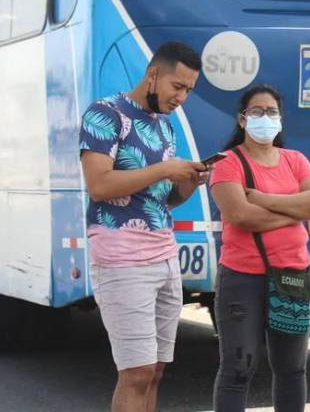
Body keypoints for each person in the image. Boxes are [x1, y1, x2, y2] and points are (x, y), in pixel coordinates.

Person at [79, 41, 210, 412]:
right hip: (121, 257)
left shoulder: (164, 127)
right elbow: (100, 185)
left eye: (188, 90)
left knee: (154, 371)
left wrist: (186, 183)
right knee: (135, 373)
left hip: (164, 254)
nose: (181, 97)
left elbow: (162, 200)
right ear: (153, 75)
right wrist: (165, 169)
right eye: (177, 86)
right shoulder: (104, 114)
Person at [208, 85, 310, 412]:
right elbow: (240, 216)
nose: (265, 118)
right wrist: (293, 213)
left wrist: (262, 200)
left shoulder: (295, 160)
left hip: (293, 277)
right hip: (243, 280)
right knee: (238, 370)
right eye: (257, 111)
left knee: (292, 369)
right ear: (242, 120)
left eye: (271, 112)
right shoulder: (228, 163)